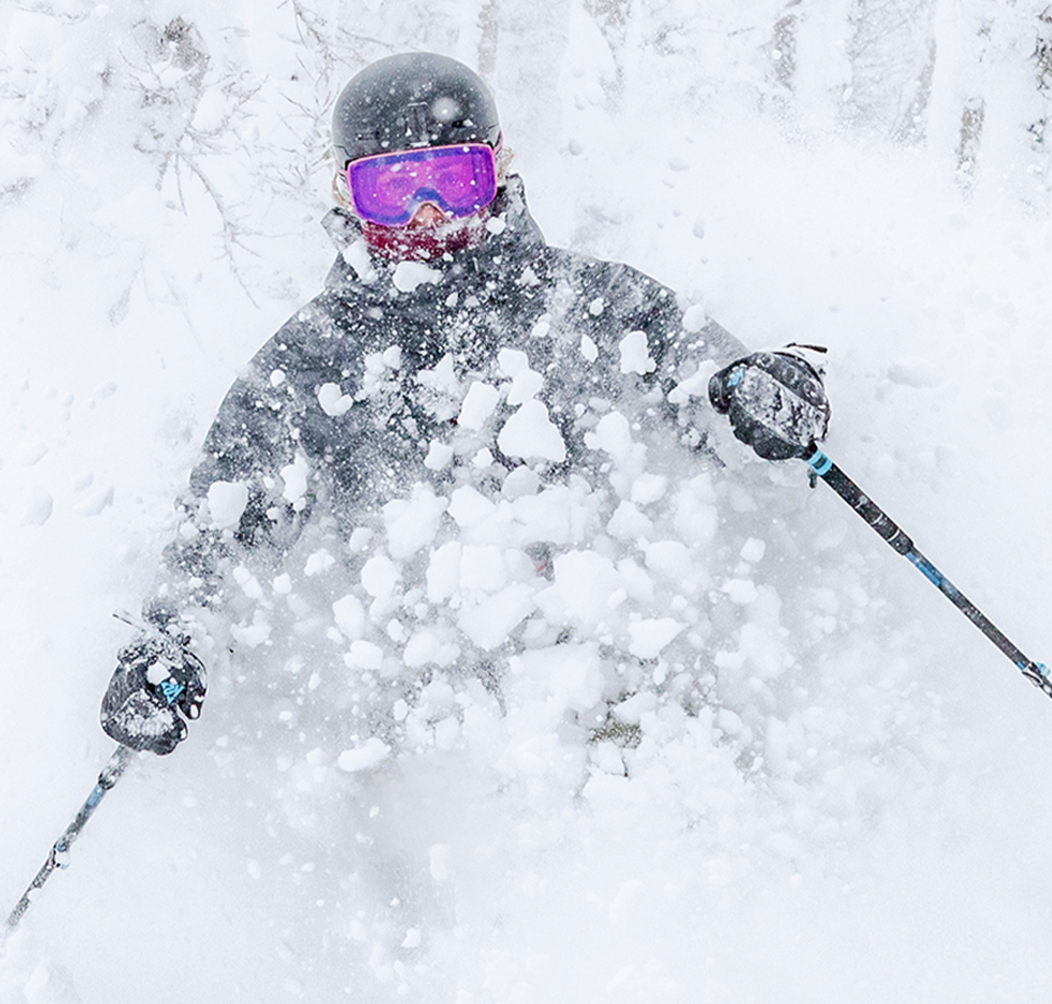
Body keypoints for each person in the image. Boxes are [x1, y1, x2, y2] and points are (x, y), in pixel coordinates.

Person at [100, 52, 830, 756]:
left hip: (610, 674)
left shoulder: (589, 304)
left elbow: (700, 381)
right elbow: (227, 526)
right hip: (427, 713)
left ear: (499, 170)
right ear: (344, 194)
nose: (425, 213)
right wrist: (175, 639)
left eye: (454, 179)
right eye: (392, 189)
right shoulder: (311, 362)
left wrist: (759, 393)